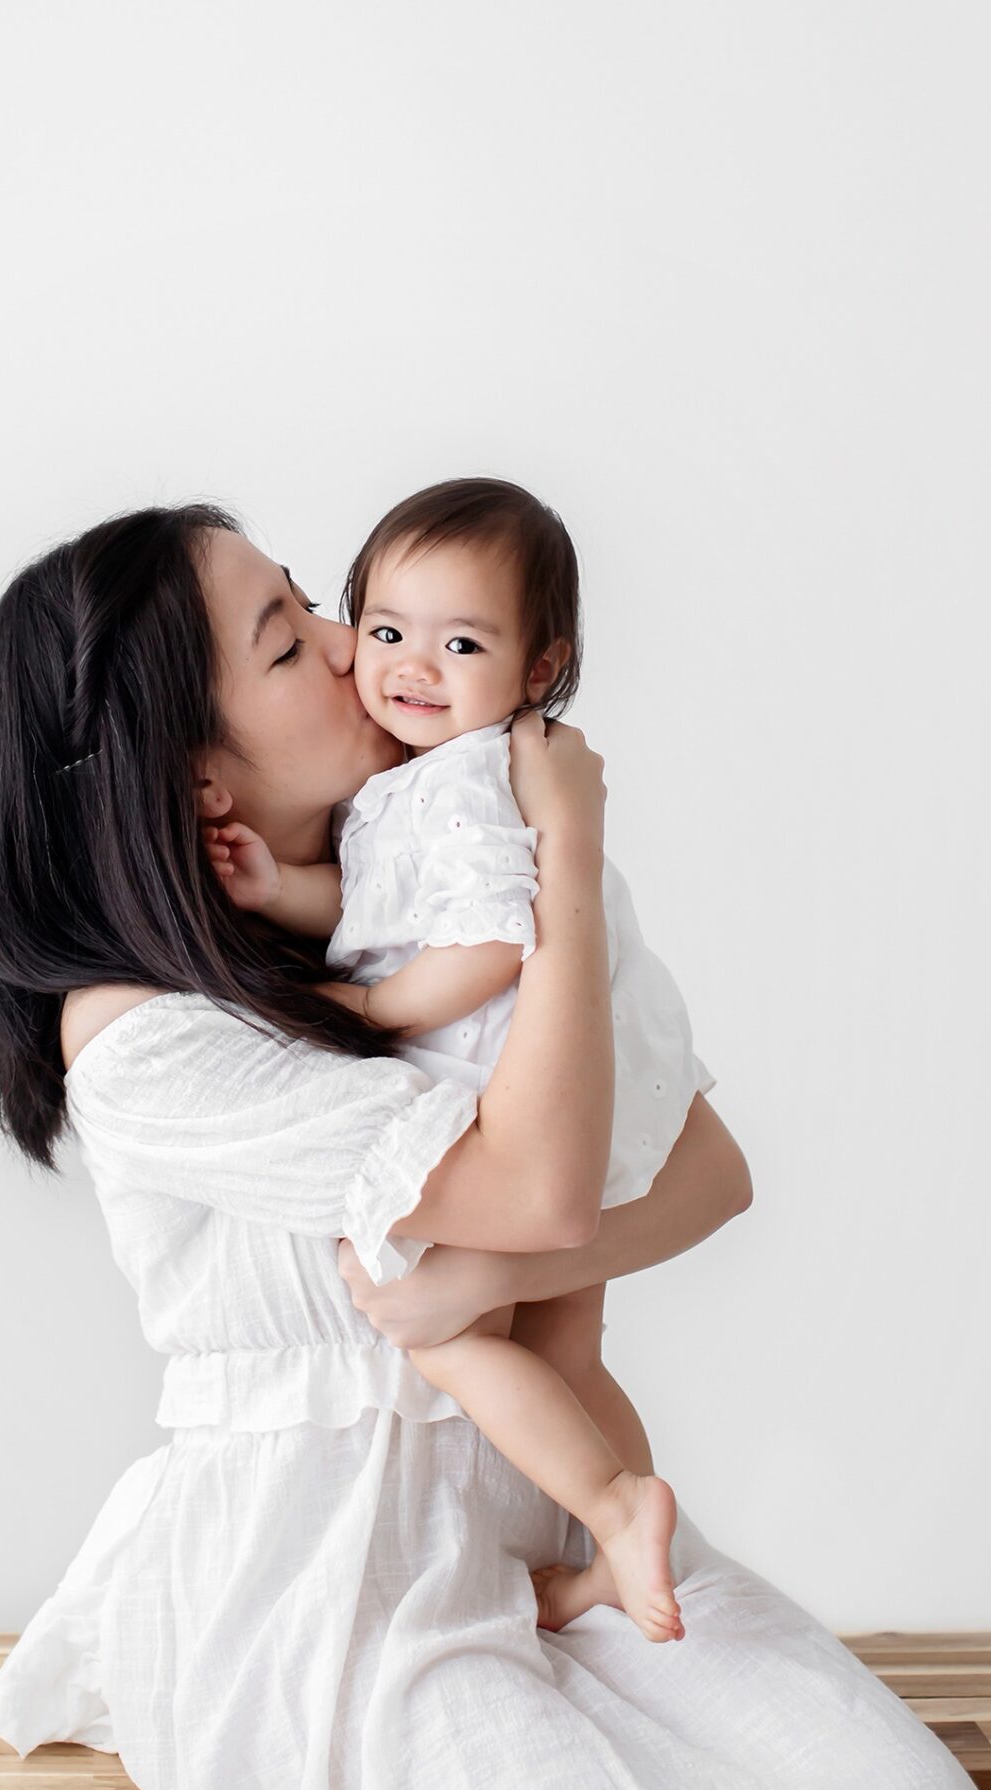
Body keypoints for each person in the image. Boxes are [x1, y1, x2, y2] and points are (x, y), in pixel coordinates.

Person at [0, 502, 991, 1790]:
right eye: (287, 641)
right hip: (328, 1590)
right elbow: (551, 1190)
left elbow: (709, 1172)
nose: (353, 645)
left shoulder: (401, 896)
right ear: (192, 772)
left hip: (547, 1539)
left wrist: (471, 1281)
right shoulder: (145, 1038)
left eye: (312, 602)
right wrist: (562, 843)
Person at [202, 476, 704, 1645]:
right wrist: (282, 891)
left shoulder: (466, 783)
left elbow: (479, 943)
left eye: (462, 644)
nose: (409, 667)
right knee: (568, 1351)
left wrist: (377, 1006)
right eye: (386, 631)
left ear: (540, 668)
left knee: (445, 1331)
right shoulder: (421, 781)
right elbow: (383, 905)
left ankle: (615, 1507)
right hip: (584, 1087)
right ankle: (624, 1550)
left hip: (512, 1086)